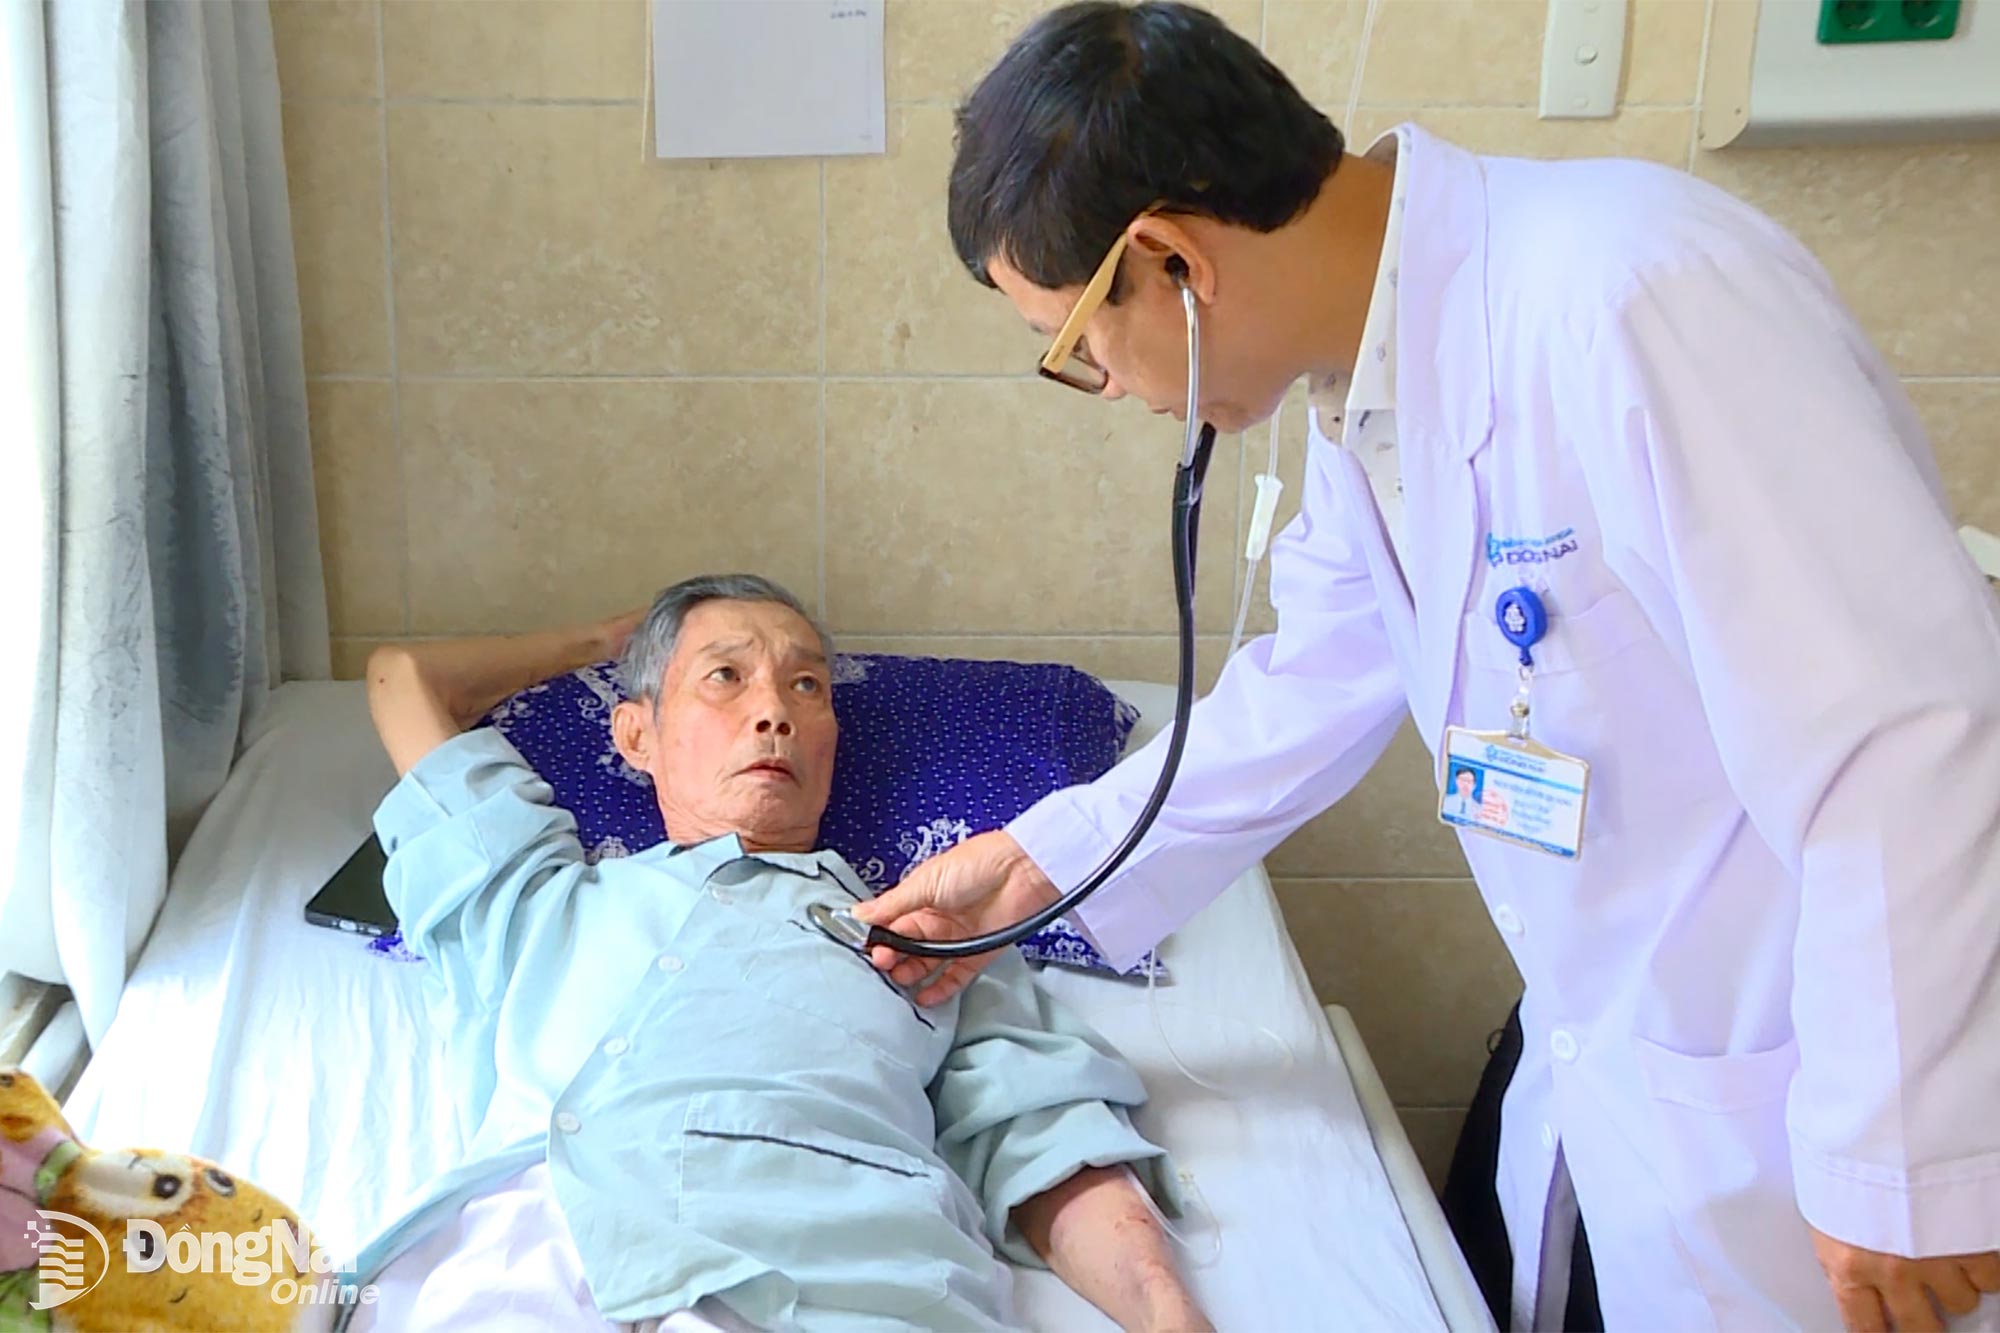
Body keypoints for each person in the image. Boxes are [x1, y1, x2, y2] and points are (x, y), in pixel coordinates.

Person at [850, 4, 2000, 1330]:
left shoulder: (1630, 298)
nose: (1107, 388)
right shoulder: (1369, 385)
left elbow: (1913, 736)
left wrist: (1902, 1154)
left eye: (1078, 345)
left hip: (1832, 1115)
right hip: (1642, 1083)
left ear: (1168, 259)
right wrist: (1043, 858)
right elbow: (1312, 686)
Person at [342, 574, 1210, 1333]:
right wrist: (605, 643)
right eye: (725, 676)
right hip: (535, 1259)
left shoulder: (932, 937)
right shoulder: (538, 896)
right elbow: (404, 679)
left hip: (836, 1277)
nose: (774, 712)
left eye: (807, 685)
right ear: (636, 734)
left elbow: (1047, 1138)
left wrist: (1170, 1314)